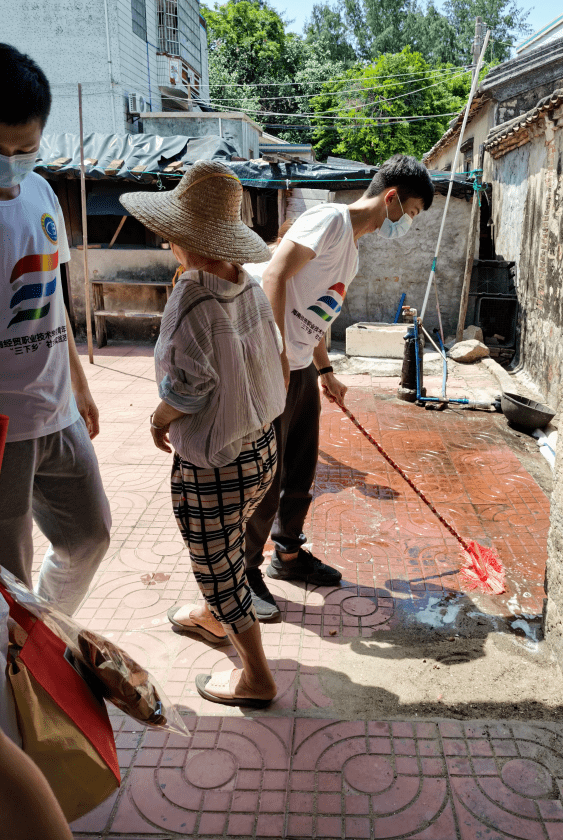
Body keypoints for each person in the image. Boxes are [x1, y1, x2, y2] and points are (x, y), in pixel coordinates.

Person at [120, 161, 286, 706]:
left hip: (218, 461)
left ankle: (256, 676)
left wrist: (157, 419)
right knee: (228, 541)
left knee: (219, 567)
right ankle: (217, 619)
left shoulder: (193, 295)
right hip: (261, 450)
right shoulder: (247, 285)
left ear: (185, 238)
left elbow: (188, 388)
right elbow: (274, 360)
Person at [245, 154, 435, 620]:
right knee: (267, 475)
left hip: (300, 367)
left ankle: (288, 554)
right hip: (274, 363)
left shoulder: (351, 249)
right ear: (391, 198)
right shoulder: (329, 221)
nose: (408, 223)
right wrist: (277, 358)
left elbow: (316, 312)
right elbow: (274, 275)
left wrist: (325, 370)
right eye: (411, 212)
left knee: (300, 468)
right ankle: (243, 572)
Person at [0, 44, 111, 616]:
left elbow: (52, 301)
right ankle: (17, 658)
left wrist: (81, 387)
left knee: (89, 537)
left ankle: (45, 633)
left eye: (24, 150)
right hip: (3, 431)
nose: (11, 164)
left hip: (58, 409)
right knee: (6, 577)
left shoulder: (43, 193)